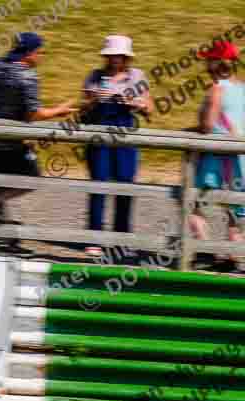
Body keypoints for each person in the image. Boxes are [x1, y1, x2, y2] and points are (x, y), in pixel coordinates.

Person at [0, 32, 76, 255]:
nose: (41, 56)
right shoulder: (28, 76)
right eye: (40, 52)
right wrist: (60, 111)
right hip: (8, 140)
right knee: (31, 177)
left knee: (1, 184)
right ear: (30, 54)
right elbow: (34, 114)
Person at [80, 35, 153, 256]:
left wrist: (132, 102)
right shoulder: (94, 76)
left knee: (125, 186)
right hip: (99, 135)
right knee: (98, 185)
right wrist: (94, 100)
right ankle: (95, 238)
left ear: (126, 57)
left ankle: (121, 241)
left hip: (125, 137)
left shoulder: (137, 76)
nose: (114, 59)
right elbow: (82, 111)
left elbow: (150, 110)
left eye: (118, 56)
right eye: (110, 55)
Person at [189, 39, 245, 271]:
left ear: (216, 63)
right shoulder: (242, 87)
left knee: (193, 204)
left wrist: (193, 130)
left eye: (209, 61)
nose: (206, 65)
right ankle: (234, 258)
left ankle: (206, 251)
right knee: (234, 211)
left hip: (218, 157)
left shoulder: (216, 89)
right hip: (240, 158)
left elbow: (208, 126)